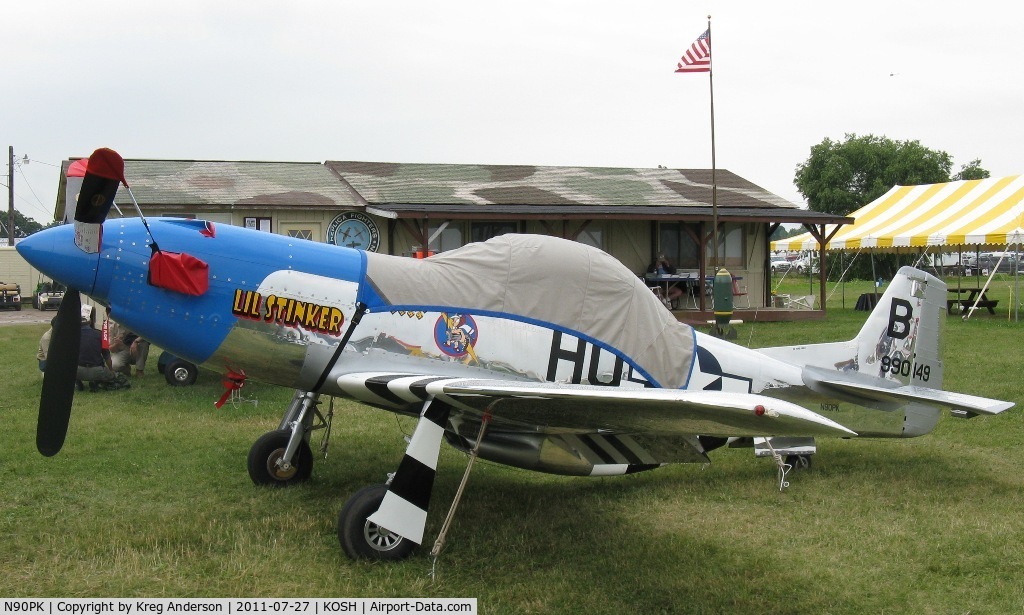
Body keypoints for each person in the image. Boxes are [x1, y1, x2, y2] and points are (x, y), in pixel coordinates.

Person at [77, 305, 130, 392]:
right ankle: (98, 384)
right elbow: (107, 356)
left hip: (77, 372)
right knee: (116, 378)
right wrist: (111, 370)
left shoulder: (71, 336)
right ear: (91, 321)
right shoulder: (100, 334)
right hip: (97, 371)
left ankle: (79, 384)